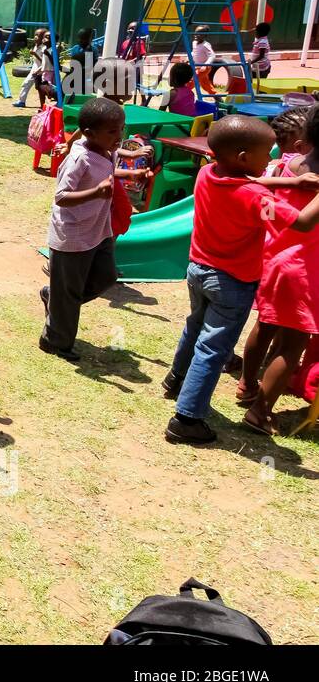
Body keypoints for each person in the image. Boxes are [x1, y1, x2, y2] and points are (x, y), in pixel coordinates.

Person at [162, 115, 319, 445]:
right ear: (244, 158)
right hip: (230, 284)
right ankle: (187, 418)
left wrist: (289, 183)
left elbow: (251, 183)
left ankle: (176, 380)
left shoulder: (208, 173)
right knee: (213, 348)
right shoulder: (256, 200)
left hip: (198, 270)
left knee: (195, 327)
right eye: (267, 154)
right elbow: (303, 222)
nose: (271, 161)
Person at [237, 107, 319, 435]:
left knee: (265, 324)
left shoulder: (289, 164)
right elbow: (305, 223)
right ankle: (260, 412)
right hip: (304, 269)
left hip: (273, 258)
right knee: (293, 344)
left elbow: (268, 198)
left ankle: (247, 384)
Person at [39, 98, 128, 361]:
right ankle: (55, 341)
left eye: (121, 129)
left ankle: (55, 299)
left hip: (99, 230)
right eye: (112, 131)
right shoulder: (78, 158)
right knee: (69, 292)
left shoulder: (106, 150)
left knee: (106, 276)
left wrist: (131, 161)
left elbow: (112, 163)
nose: (119, 136)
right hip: (73, 235)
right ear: (89, 133)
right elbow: (61, 196)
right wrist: (95, 192)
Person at [13, 29, 51, 109]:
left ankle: (23, 101)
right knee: (27, 84)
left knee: (41, 88)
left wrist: (35, 54)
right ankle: (22, 101)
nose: (36, 37)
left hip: (41, 70)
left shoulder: (44, 48)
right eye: (35, 35)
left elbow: (44, 61)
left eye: (38, 36)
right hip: (35, 69)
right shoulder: (36, 46)